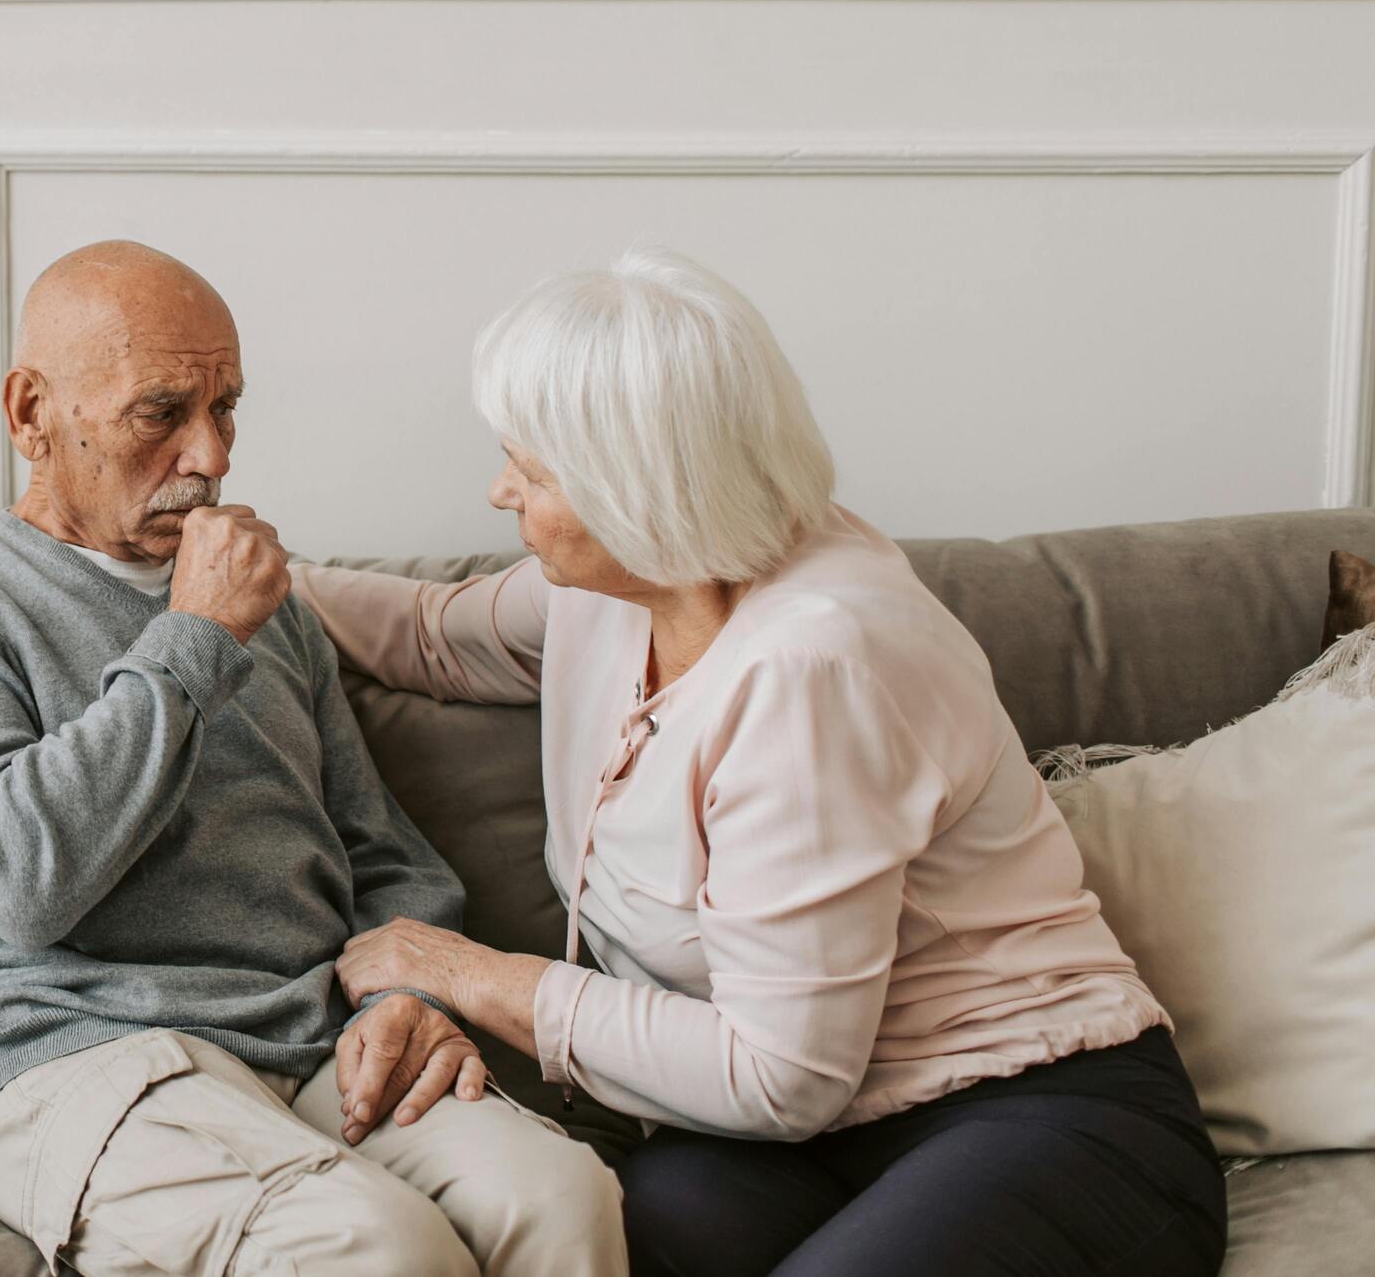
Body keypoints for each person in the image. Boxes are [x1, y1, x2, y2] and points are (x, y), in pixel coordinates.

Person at [290, 245, 1229, 1276]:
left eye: (534, 468)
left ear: (631, 486)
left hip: (1036, 1107)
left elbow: (781, 1076)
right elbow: (429, 635)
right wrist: (222, 573)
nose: (498, 489)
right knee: (582, 1251)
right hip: (793, 1142)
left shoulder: (813, 663)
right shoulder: (615, 590)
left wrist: (459, 968)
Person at [0, 240, 624, 1276]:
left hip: (307, 1035)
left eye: (227, 408)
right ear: (31, 413)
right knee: (376, 1247)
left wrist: (406, 999)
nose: (211, 456)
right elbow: (23, 878)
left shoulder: (270, 607)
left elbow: (382, 853)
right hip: (74, 1058)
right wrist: (196, 634)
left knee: (562, 1195)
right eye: (162, 412)